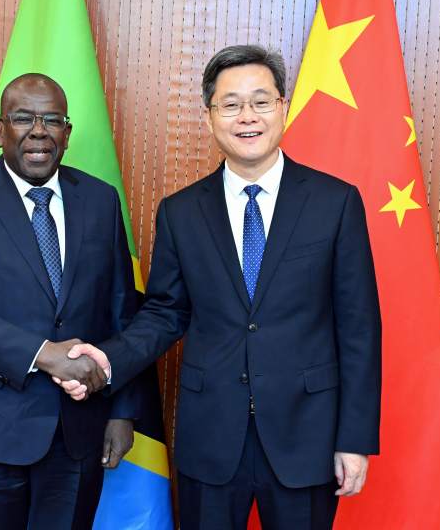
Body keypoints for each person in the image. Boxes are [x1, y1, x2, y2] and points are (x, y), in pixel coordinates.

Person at [60, 45, 382, 529]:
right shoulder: (181, 212)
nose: (247, 116)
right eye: (230, 104)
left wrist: (354, 439)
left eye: (261, 101)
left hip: (306, 435)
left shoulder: (334, 203)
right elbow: (165, 312)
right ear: (210, 117)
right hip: (210, 436)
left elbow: (359, 329)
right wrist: (108, 360)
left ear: (283, 107)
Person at [0, 73, 139, 530]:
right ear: (1, 132)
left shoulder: (100, 201)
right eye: (23, 118)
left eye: (52, 120)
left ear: (67, 133)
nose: (39, 131)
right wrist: (43, 355)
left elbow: (121, 312)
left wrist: (121, 412)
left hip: (78, 432)